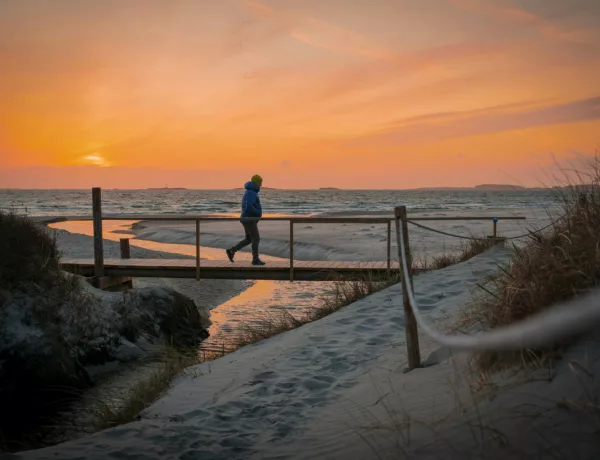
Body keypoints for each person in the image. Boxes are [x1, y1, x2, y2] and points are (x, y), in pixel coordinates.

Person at [226, 174, 265, 266]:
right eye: (260, 183)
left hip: (247, 218)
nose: (261, 185)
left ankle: (231, 251)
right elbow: (249, 207)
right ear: (256, 183)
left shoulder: (250, 191)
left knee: (249, 239)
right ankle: (255, 259)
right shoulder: (251, 192)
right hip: (249, 219)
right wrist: (257, 213)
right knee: (256, 238)